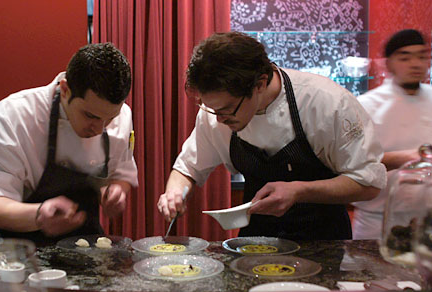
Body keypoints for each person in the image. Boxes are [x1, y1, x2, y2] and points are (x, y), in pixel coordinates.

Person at [157, 32, 386, 240]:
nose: (219, 119)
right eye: (212, 109)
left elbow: (369, 183)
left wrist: (299, 191)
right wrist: (174, 192)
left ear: (260, 84)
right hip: (256, 242)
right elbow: (188, 168)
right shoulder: (217, 112)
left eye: (227, 110)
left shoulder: (325, 102)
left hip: (323, 241)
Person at [0, 43, 138, 243]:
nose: (99, 129)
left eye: (109, 118)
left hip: (89, 249)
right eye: (90, 116)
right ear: (65, 89)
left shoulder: (121, 115)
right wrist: (39, 215)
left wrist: (116, 190)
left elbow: (122, 173)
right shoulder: (12, 118)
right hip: (25, 253)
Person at [352, 29, 432, 240]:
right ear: (388, 64)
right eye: (405, 57)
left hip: (427, 221)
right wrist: (405, 157)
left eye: (422, 56)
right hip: (376, 221)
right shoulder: (366, 105)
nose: (415, 64)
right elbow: (352, 165)